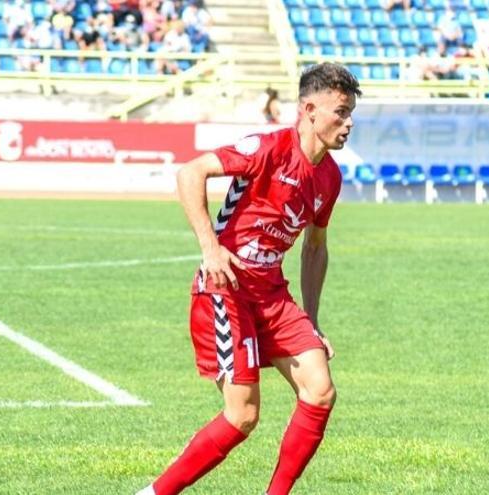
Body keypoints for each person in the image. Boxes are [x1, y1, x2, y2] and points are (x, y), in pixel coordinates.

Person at [136, 62, 360, 495]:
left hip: (273, 295)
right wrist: (210, 246)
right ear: (310, 109)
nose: (348, 124)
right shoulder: (267, 148)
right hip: (227, 289)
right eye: (341, 112)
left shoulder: (330, 177)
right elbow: (190, 172)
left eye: (351, 114)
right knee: (242, 415)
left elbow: (315, 247)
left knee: (320, 389)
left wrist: (311, 319)